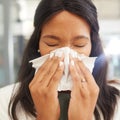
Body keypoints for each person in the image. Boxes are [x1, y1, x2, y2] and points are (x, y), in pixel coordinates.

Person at [0, 0, 120, 120]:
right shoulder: (4, 101)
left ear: (93, 47)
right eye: (51, 44)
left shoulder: (117, 103)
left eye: (79, 44)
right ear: (37, 45)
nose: (65, 56)